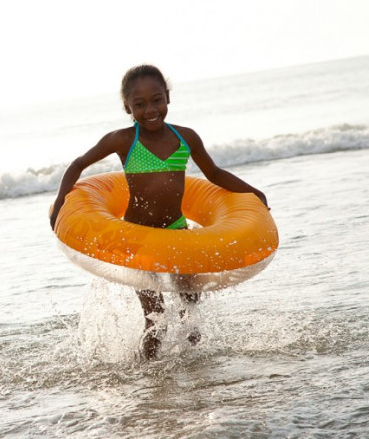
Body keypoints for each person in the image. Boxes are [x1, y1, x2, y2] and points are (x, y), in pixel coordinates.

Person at [49, 65, 268, 360]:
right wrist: (62, 199)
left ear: (168, 98)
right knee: (155, 317)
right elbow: (78, 164)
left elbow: (214, 173)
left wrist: (253, 192)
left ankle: (194, 367)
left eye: (157, 100)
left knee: (190, 307)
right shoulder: (123, 140)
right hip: (139, 239)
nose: (150, 109)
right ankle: (149, 374)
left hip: (177, 231)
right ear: (127, 106)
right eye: (139, 104)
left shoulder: (186, 137)